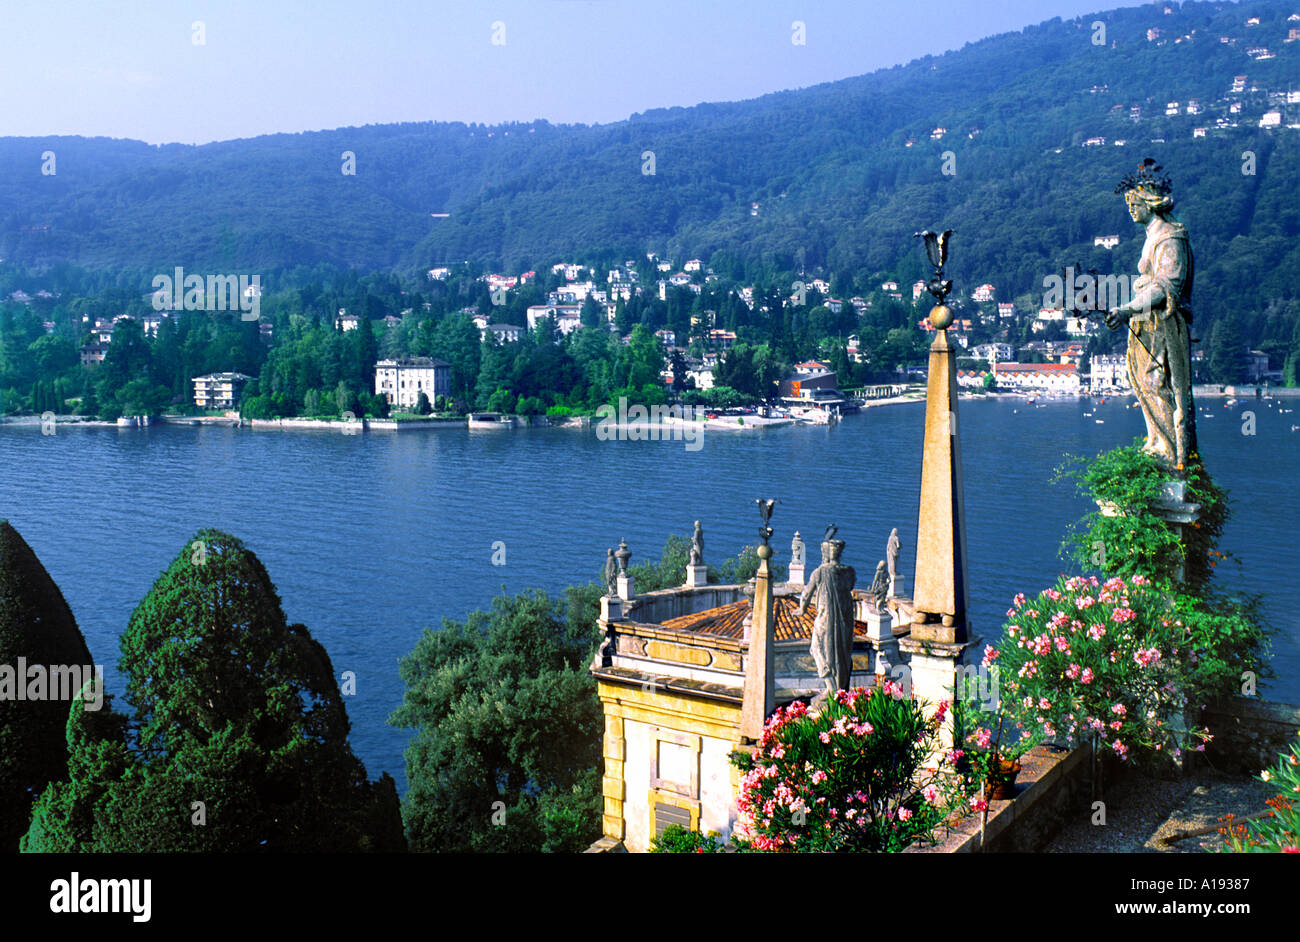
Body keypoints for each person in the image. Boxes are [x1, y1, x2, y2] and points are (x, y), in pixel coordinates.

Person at [1105, 159, 1197, 470]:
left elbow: (1165, 287)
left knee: (1157, 380)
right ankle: (1158, 441)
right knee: (1144, 381)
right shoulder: (1152, 237)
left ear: (1150, 202)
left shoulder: (1171, 237)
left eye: (1133, 203)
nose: (1130, 210)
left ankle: (1170, 452)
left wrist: (1127, 308)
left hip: (1163, 325)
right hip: (1146, 323)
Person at [798, 539, 856, 705]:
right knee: (842, 652)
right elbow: (850, 587)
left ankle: (831, 687)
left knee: (818, 648)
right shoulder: (848, 571)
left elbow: (807, 593)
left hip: (826, 618)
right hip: (845, 618)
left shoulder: (820, 572)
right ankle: (841, 688)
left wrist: (802, 609)